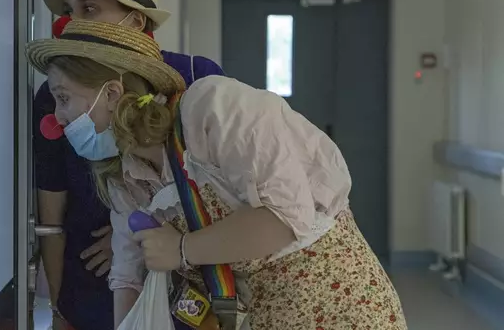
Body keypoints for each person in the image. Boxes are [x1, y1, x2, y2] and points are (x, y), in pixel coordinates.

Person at [26, 18, 408, 330]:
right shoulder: (126, 175)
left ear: (111, 94)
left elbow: (285, 218)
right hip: (261, 313)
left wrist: (181, 250)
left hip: (336, 303)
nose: (57, 120)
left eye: (63, 98)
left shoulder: (212, 111)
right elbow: (127, 277)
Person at [33, 0, 224, 330]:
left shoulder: (196, 81)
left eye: (89, 9)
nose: (74, 23)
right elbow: (50, 215)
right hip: (91, 282)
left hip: (187, 275)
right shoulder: (56, 96)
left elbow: (227, 196)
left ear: (136, 22)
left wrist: (143, 237)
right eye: (70, 12)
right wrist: (58, 310)